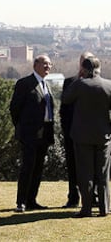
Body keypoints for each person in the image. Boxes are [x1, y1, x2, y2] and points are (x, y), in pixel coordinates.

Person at [62, 57, 111, 217]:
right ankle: (104, 208)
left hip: (82, 136)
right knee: (103, 173)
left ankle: (86, 208)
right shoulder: (108, 85)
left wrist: (79, 78)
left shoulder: (79, 85)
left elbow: (66, 99)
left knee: (85, 173)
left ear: (83, 69)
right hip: (103, 135)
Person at [10, 54, 54, 212]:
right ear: (35, 65)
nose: (48, 67)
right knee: (27, 168)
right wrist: (22, 127)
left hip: (45, 134)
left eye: (50, 64)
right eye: (45, 64)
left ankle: (32, 200)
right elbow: (14, 109)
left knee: (38, 168)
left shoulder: (46, 84)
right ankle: (21, 202)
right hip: (29, 134)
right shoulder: (25, 83)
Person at [59, 51, 94, 208]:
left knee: (93, 167)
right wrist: (67, 131)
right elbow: (63, 110)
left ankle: (93, 197)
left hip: (92, 135)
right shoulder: (69, 82)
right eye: (83, 61)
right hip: (72, 133)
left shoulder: (98, 84)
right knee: (72, 167)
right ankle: (73, 197)